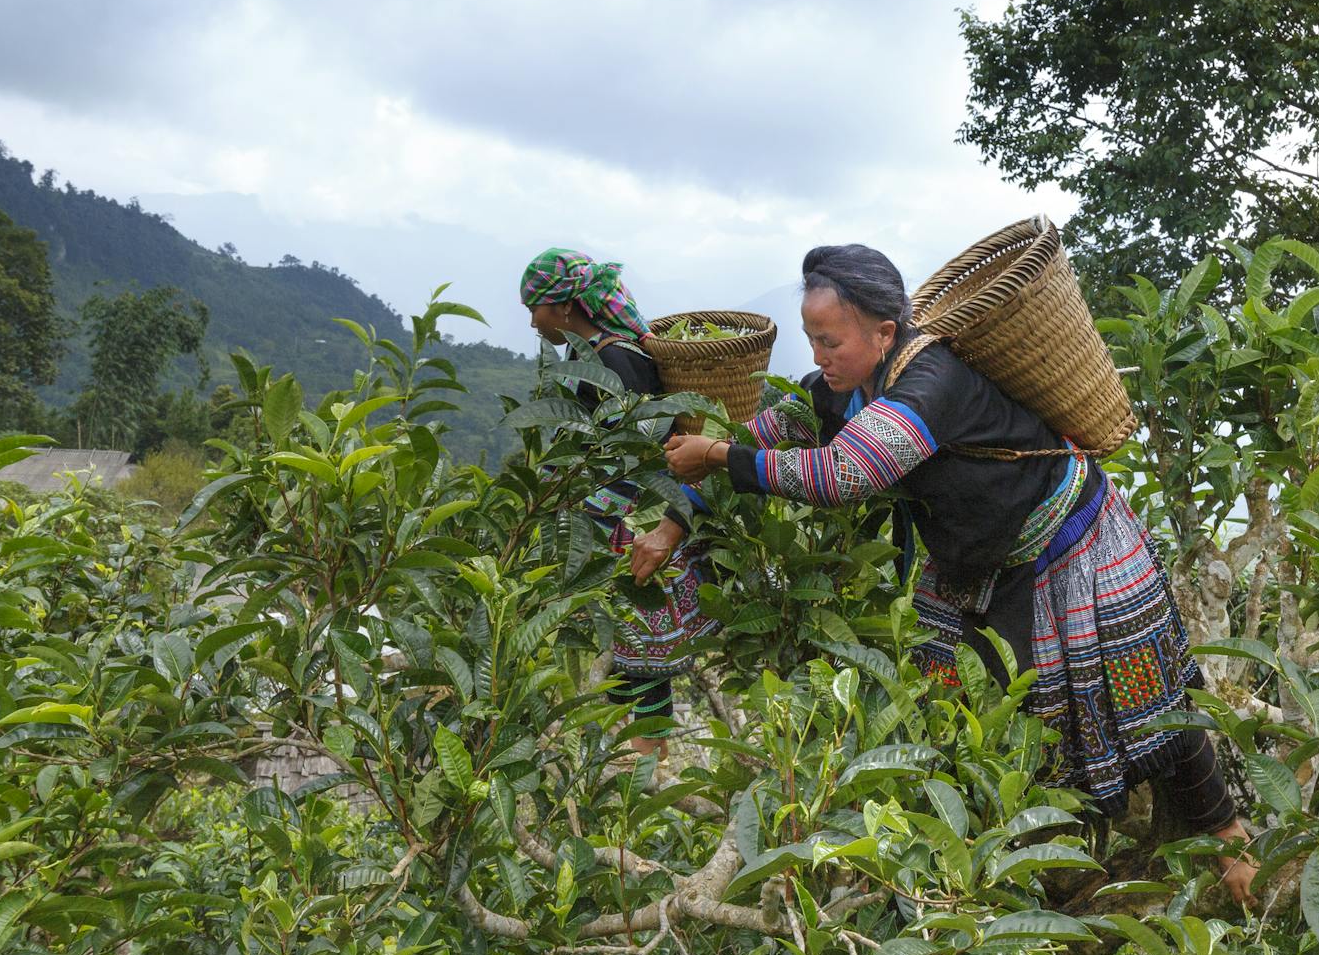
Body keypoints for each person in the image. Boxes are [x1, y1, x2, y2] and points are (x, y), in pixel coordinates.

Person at [663, 243, 1258, 905]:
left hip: (1073, 539)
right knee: (961, 709)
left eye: (829, 340)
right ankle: (1024, 876)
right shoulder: (836, 391)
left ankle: (1229, 837)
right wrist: (674, 517)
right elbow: (763, 432)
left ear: (884, 332)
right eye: (811, 339)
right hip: (975, 561)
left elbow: (844, 474)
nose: (818, 356)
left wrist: (718, 455)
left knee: (1144, 694)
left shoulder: (931, 381)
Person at [519, 248, 716, 752]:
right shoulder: (592, 356)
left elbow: (644, 449)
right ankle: (642, 766)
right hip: (619, 529)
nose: (531, 320)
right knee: (629, 661)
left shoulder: (615, 360)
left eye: (534, 307)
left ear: (564, 308)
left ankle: (650, 770)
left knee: (642, 663)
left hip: (637, 529)